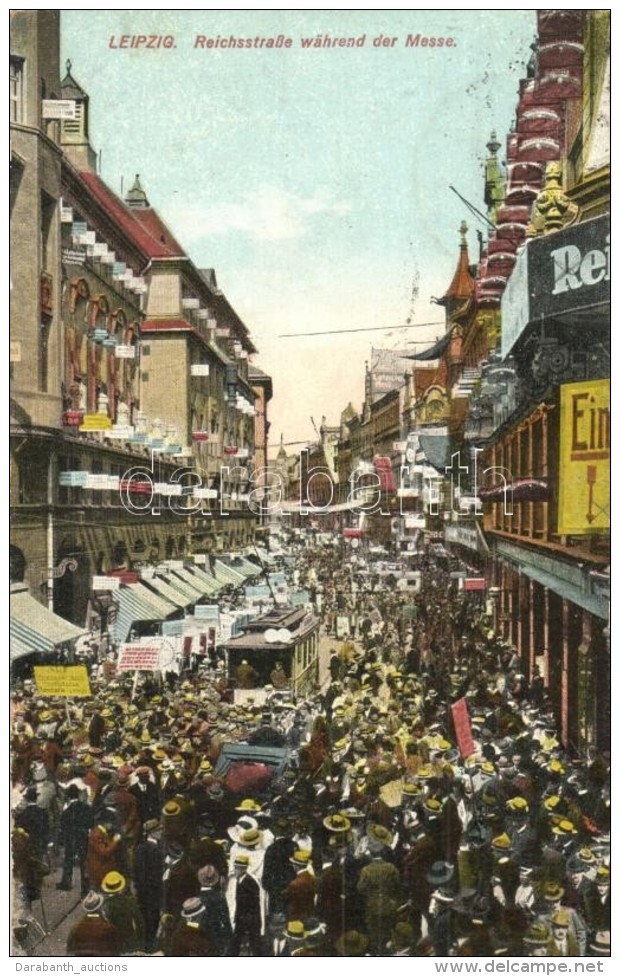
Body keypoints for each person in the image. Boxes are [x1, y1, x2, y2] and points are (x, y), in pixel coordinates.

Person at [57, 783, 94, 896]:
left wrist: (61, 842)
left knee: (68, 860)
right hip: (83, 837)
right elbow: (91, 823)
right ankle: (85, 887)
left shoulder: (66, 812)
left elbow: (62, 827)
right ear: (78, 795)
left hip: (70, 837)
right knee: (84, 862)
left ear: (68, 796)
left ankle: (66, 882)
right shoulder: (86, 808)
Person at [66, 891, 124, 957]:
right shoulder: (109, 928)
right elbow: (117, 949)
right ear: (100, 907)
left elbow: (70, 949)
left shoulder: (76, 928)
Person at [229, 853, 263, 956]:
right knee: (237, 941)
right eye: (235, 868)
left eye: (237, 868)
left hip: (249, 919)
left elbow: (253, 904)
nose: (235, 870)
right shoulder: (241, 880)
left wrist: (246, 920)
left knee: (253, 944)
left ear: (243, 869)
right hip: (243, 918)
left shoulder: (249, 882)